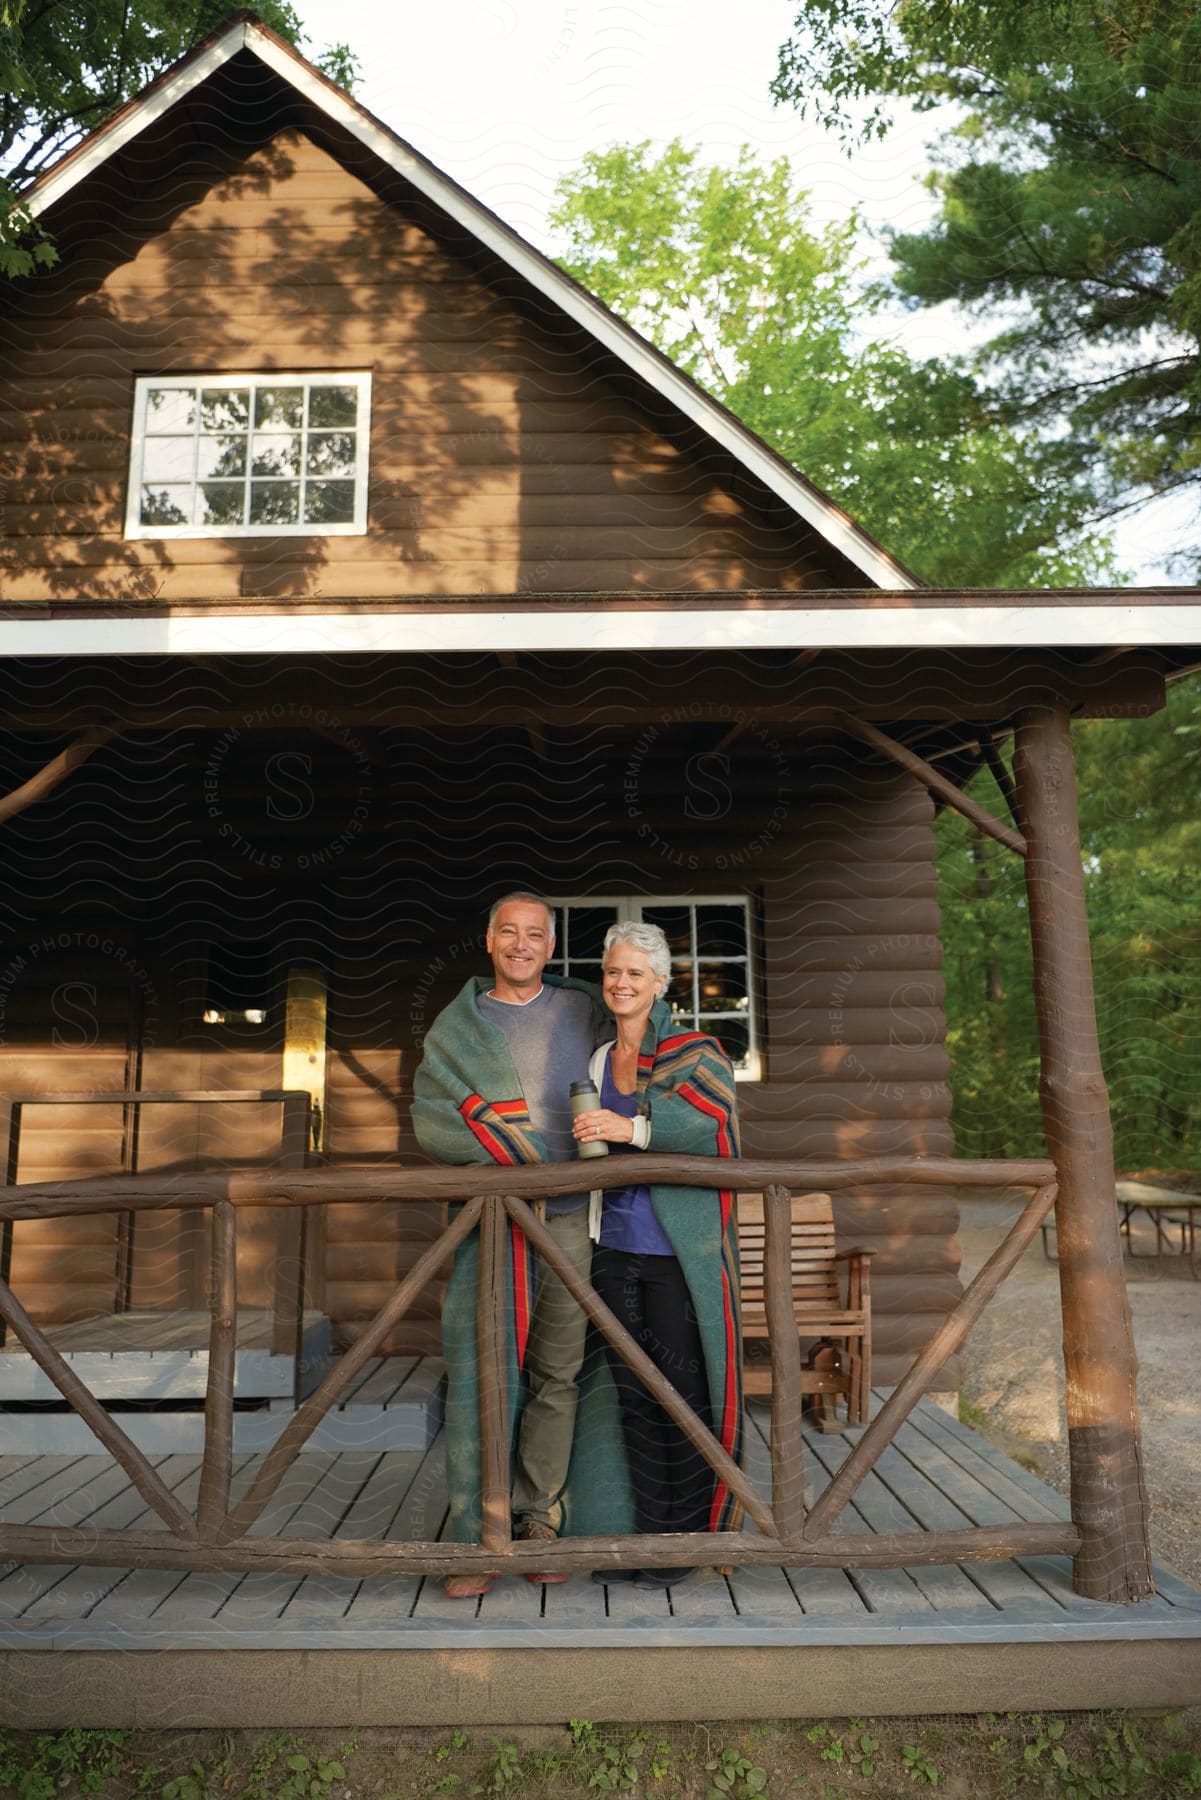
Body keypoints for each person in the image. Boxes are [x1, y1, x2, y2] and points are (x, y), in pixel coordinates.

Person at [411, 892, 608, 1597]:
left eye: (534, 935)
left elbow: (644, 1047)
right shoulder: (457, 1026)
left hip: (570, 1220)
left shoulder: (585, 1008)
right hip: (492, 1223)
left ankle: (539, 1522)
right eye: (508, 933)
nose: (521, 945)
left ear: (550, 947)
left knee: (559, 1375)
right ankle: (477, 1534)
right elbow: (433, 1118)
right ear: (488, 940)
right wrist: (518, 1158)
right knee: (488, 1374)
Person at [571, 919, 745, 1591]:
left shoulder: (696, 1050)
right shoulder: (595, 1060)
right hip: (611, 1248)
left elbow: (705, 1122)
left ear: (661, 984)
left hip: (676, 1250)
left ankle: (685, 1542)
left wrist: (631, 1126)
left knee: (684, 1395)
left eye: (634, 974)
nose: (619, 983)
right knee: (634, 1397)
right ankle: (646, 1539)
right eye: (611, 972)